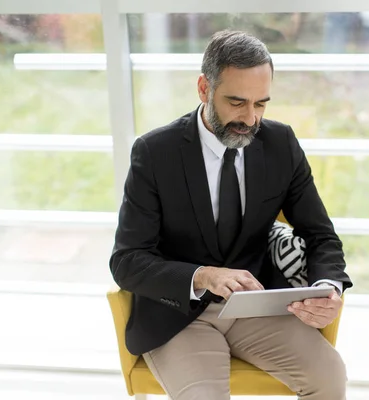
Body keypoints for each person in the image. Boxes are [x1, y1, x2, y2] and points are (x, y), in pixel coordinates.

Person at [110, 30, 352, 400]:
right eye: (237, 102)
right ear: (204, 88)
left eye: (262, 104)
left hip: (256, 309)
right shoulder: (155, 153)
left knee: (329, 376)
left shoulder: (280, 143)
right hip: (177, 315)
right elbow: (126, 261)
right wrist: (204, 275)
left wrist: (327, 288)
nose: (250, 119)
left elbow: (320, 235)